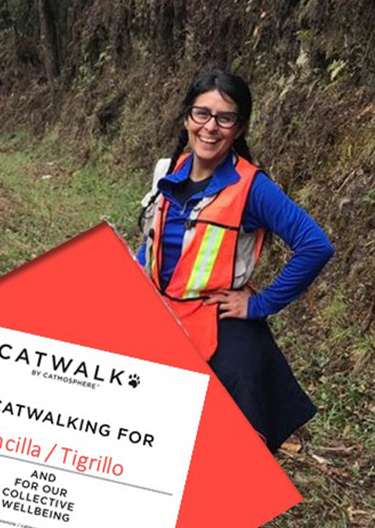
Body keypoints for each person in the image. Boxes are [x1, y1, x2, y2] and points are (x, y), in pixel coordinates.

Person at [137, 68, 334, 455]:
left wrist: (260, 304)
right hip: (159, 308)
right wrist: (137, 263)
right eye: (202, 114)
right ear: (186, 118)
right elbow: (155, 237)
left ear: (239, 128)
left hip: (215, 317)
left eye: (224, 118)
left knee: (231, 430)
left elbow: (315, 245)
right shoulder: (167, 169)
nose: (210, 127)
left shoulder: (252, 187)